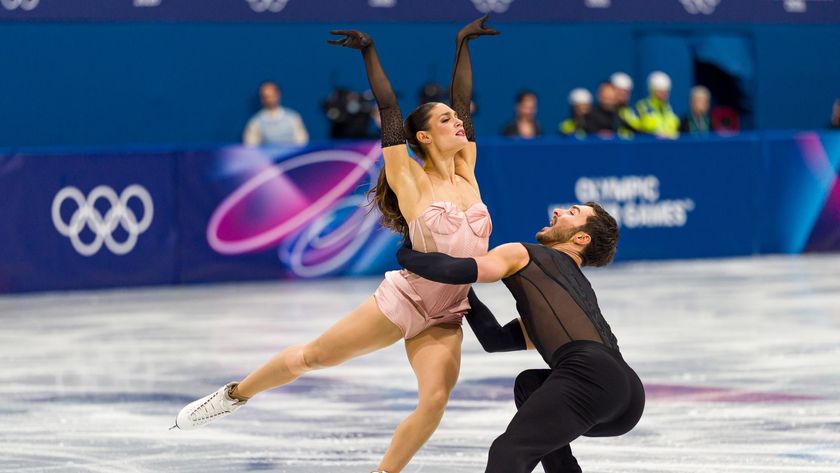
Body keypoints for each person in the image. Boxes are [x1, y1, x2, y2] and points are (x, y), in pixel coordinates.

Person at [175, 17, 499, 473]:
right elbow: (389, 110)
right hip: (405, 300)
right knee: (314, 357)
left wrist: (462, 44)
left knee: (435, 402)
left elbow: (463, 100)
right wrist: (369, 52)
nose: (458, 122)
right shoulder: (408, 177)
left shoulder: (467, 168)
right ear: (423, 137)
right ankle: (235, 394)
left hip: (447, 312)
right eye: (446, 120)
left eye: (457, 119)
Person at [396, 203, 645, 473]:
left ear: (581, 238)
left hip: (591, 376)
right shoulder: (572, 292)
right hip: (626, 397)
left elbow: (455, 270)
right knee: (530, 385)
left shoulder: (525, 254)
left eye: (572, 213)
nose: (558, 211)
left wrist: (406, 254)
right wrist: (464, 292)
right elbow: (496, 339)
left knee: (509, 452)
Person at [243, 81, 309, 146]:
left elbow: (302, 143)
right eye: (266, 96)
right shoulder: (255, 121)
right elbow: (250, 146)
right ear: (261, 98)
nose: (269, 100)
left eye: (272, 96)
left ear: (278, 95)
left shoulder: (293, 117)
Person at [635, 71, 680, 138]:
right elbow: (636, 130)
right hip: (649, 146)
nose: (665, 93)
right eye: (661, 91)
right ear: (652, 90)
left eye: (666, 91)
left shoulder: (669, 109)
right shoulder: (642, 106)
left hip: (669, 145)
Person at [610, 71, 639, 137]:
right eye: (620, 91)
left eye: (626, 92)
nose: (623, 94)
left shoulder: (633, 112)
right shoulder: (601, 113)